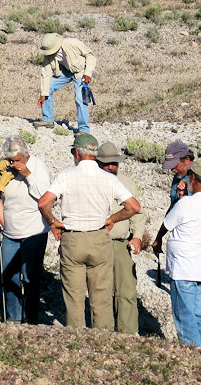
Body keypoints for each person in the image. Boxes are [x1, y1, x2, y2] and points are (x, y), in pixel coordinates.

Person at [38, 132, 141, 330]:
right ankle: (103, 344)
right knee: (101, 297)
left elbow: (43, 203)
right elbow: (134, 207)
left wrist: (52, 222)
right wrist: (112, 219)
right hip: (99, 237)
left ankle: (78, 344)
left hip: (73, 239)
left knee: (74, 298)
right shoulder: (108, 178)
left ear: (76, 153)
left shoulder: (66, 176)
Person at [153, 160, 201, 349]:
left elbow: (167, 224)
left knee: (185, 317)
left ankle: (190, 356)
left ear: (193, 178)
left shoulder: (186, 205)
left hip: (183, 268)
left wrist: (158, 239)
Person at [0, 136, 51, 324]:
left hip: (34, 230)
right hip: (10, 230)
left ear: (27, 155)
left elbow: (46, 196)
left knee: (30, 277)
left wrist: (28, 174)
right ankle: (13, 319)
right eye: (11, 160)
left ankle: (31, 320)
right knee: (8, 277)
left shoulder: (37, 166)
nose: (14, 164)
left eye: (18, 160)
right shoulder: (6, 168)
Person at [96, 142, 147, 335]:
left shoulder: (127, 182)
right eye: (107, 163)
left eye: (114, 163)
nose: (111, 167)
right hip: (97, 242)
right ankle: (103, 333)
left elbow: (139, 213)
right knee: (102, 292)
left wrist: (137, 237)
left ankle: (129, 334)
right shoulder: (91, 181)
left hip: (121, 245)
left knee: (126, 292)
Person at [35, 33, 96, 134]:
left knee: (80, 99)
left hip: (81, 71)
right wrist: (43, 94)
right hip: (67, 71)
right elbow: (46, 74)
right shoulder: (48, 56)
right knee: (47, 88)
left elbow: (90, 56)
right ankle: (48, 119)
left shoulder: (73, 43)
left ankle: (84, 130)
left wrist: (88, 73)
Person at [163, 140, 201, 208]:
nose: (172, 170)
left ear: (187, 159)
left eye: (175, 165)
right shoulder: (178, 177)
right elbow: (173, 204)